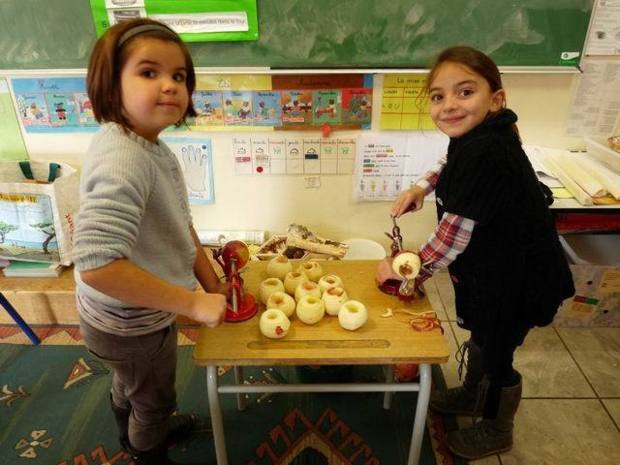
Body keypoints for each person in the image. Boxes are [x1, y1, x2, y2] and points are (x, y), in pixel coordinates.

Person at [377, 46, 574, 459]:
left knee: (500, 351)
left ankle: (497, 428)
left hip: (520, 280)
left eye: (464, 92)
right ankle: (471, 393)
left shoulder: (489, 152)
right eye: (438, 96)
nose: (449, 105)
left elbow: (452, 237)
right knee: (484, 334)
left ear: (496, 98)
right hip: (495, 271)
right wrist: (421, 187)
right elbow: (450, 165)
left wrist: (407, 270)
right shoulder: (478, 137)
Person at [73, 18, 228, 465]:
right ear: (110, 84)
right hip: (130, 322)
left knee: (131, 380)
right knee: (154, 397)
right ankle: (146, 449)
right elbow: (97, 264)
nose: (170, 86)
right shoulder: (126, 159)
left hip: (128, 316)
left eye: (179, 76)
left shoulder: (149, 147)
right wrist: (193, 303)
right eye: (149, 72)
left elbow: (180, 223)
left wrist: (210, 282)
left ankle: (129, 425)